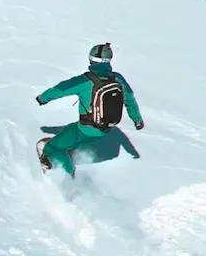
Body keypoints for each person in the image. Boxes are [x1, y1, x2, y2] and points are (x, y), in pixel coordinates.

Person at [36, 43, 144, 176]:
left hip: (86, 129)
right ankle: (71, 149)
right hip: (105, 129)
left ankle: (67, 177)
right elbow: (130, 100)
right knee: (72, 131)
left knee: (53, 147)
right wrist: (137, 120)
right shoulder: (117, 78)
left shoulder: (85, 81)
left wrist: (42, 98)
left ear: (91, 59)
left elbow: (60, 89)